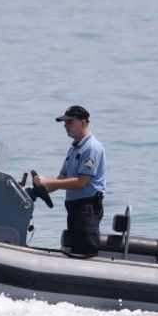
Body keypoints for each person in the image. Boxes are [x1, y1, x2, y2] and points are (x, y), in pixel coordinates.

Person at [33, 105, 106, 256]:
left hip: (87, 207)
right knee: (75, 249)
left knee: (85, 251)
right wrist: (39, 189)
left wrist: (49, 183)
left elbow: (81, 182)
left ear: (83, 122)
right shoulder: (74, 148)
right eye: (65, 123)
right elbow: (61, 179)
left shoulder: (91, 148)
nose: (66, 126)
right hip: (74, 207)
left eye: (70, 122)